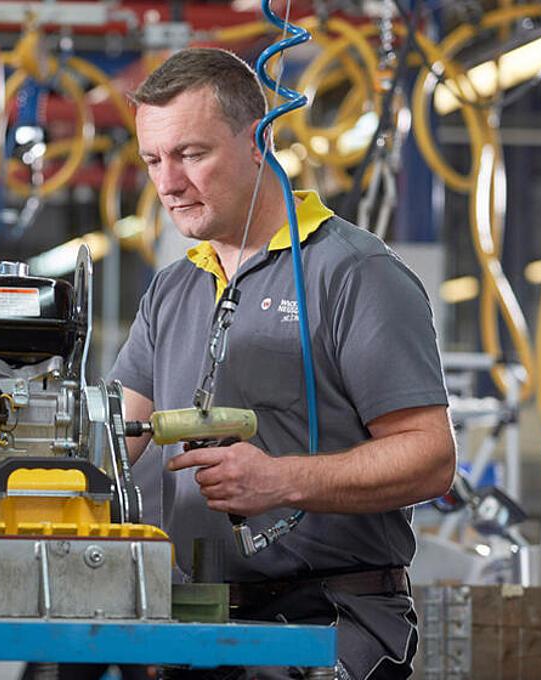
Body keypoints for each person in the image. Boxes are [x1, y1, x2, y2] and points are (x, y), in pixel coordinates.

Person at [114, 48, 458, 680]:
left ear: (259, 141)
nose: (169, 184)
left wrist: (280, 481)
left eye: (191, 154)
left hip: (327, 622)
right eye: (154, 160)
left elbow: (431, 457)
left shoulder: (352, 273)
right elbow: (113, 438)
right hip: (197, 621)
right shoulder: (173, 289)